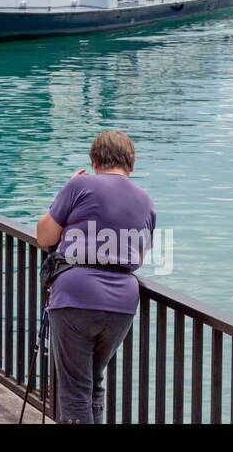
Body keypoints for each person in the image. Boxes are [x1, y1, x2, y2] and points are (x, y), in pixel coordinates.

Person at [35, 130, 155, 424]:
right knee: (92, 382)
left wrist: (67, 188)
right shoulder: (146, 201)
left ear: (95, 161)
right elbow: (138, 258)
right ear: (131, 164)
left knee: (75, 390)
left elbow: (44, 235)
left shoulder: (81, 185)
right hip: (122, 303)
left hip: (76, 295)